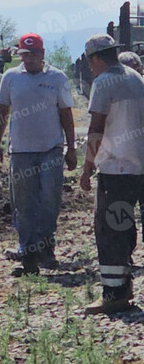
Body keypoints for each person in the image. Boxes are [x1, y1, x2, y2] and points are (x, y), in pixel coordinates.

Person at [0, 32, 77, 276]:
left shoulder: (57, 78)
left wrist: (71, 149)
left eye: (33, 55)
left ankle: (46, 248)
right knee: (24, 203)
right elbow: (2, 113)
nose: (28, 59)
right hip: (20, 152)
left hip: (51, 150)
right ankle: (28, 252)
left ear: (42, 55)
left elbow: (66, 115)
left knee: (50, 199)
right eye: (24, 55)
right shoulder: (11, 78)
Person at [80, 34, 144, 314]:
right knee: (127, 228)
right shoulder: (134, 77)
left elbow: (96, 127)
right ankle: (124, 286)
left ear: (94, 59)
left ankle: (115, 293)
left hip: (116, 170)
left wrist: (87, 166)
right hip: (139, 168)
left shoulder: (103, 82)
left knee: (111, 229)